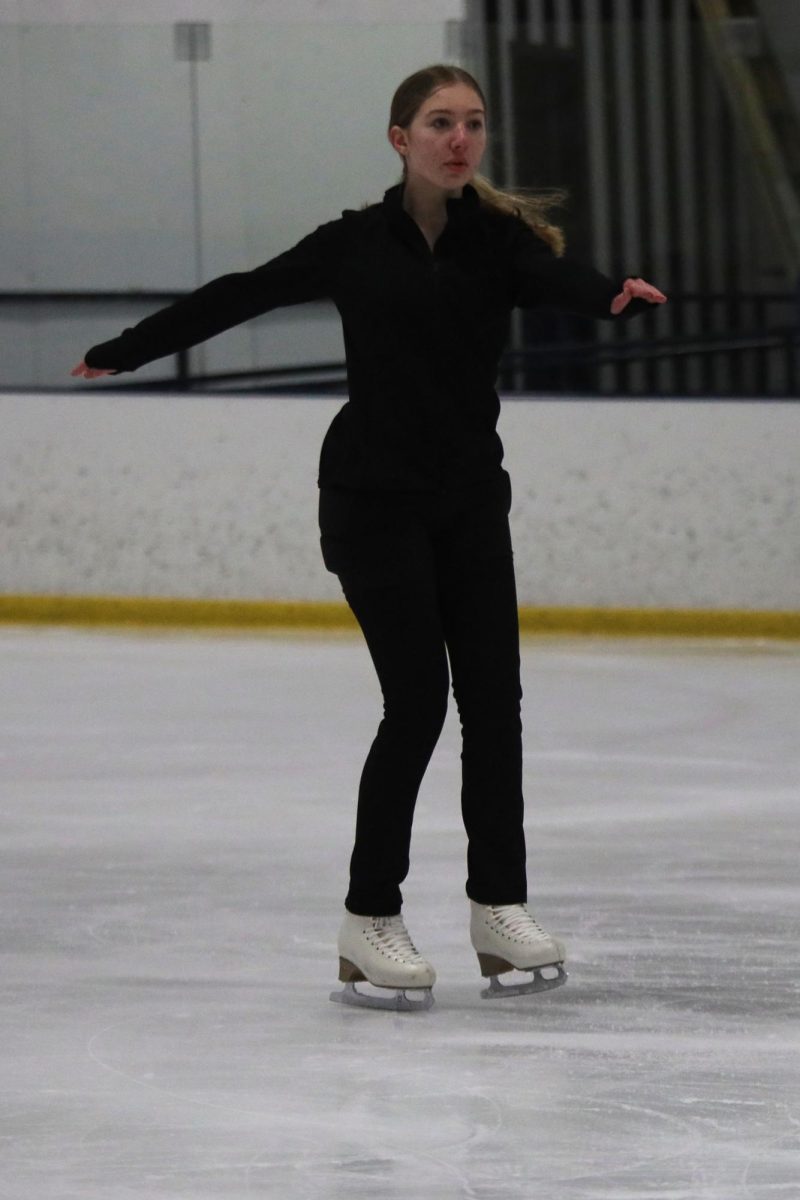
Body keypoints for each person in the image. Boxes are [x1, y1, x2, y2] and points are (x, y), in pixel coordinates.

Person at [72, 63, 666, 1011]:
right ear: (401, 139)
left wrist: (612, 298)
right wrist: (124, 348)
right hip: (371, 501)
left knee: (495, 709)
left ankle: (498, 909)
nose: (459, 139)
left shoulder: (497, 242)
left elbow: (560, 278)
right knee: (419, 702)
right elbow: (243, 292)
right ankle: (368, 916)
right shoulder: (352, 244)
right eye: (439, 123)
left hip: (470, 500)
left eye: (472, 123)